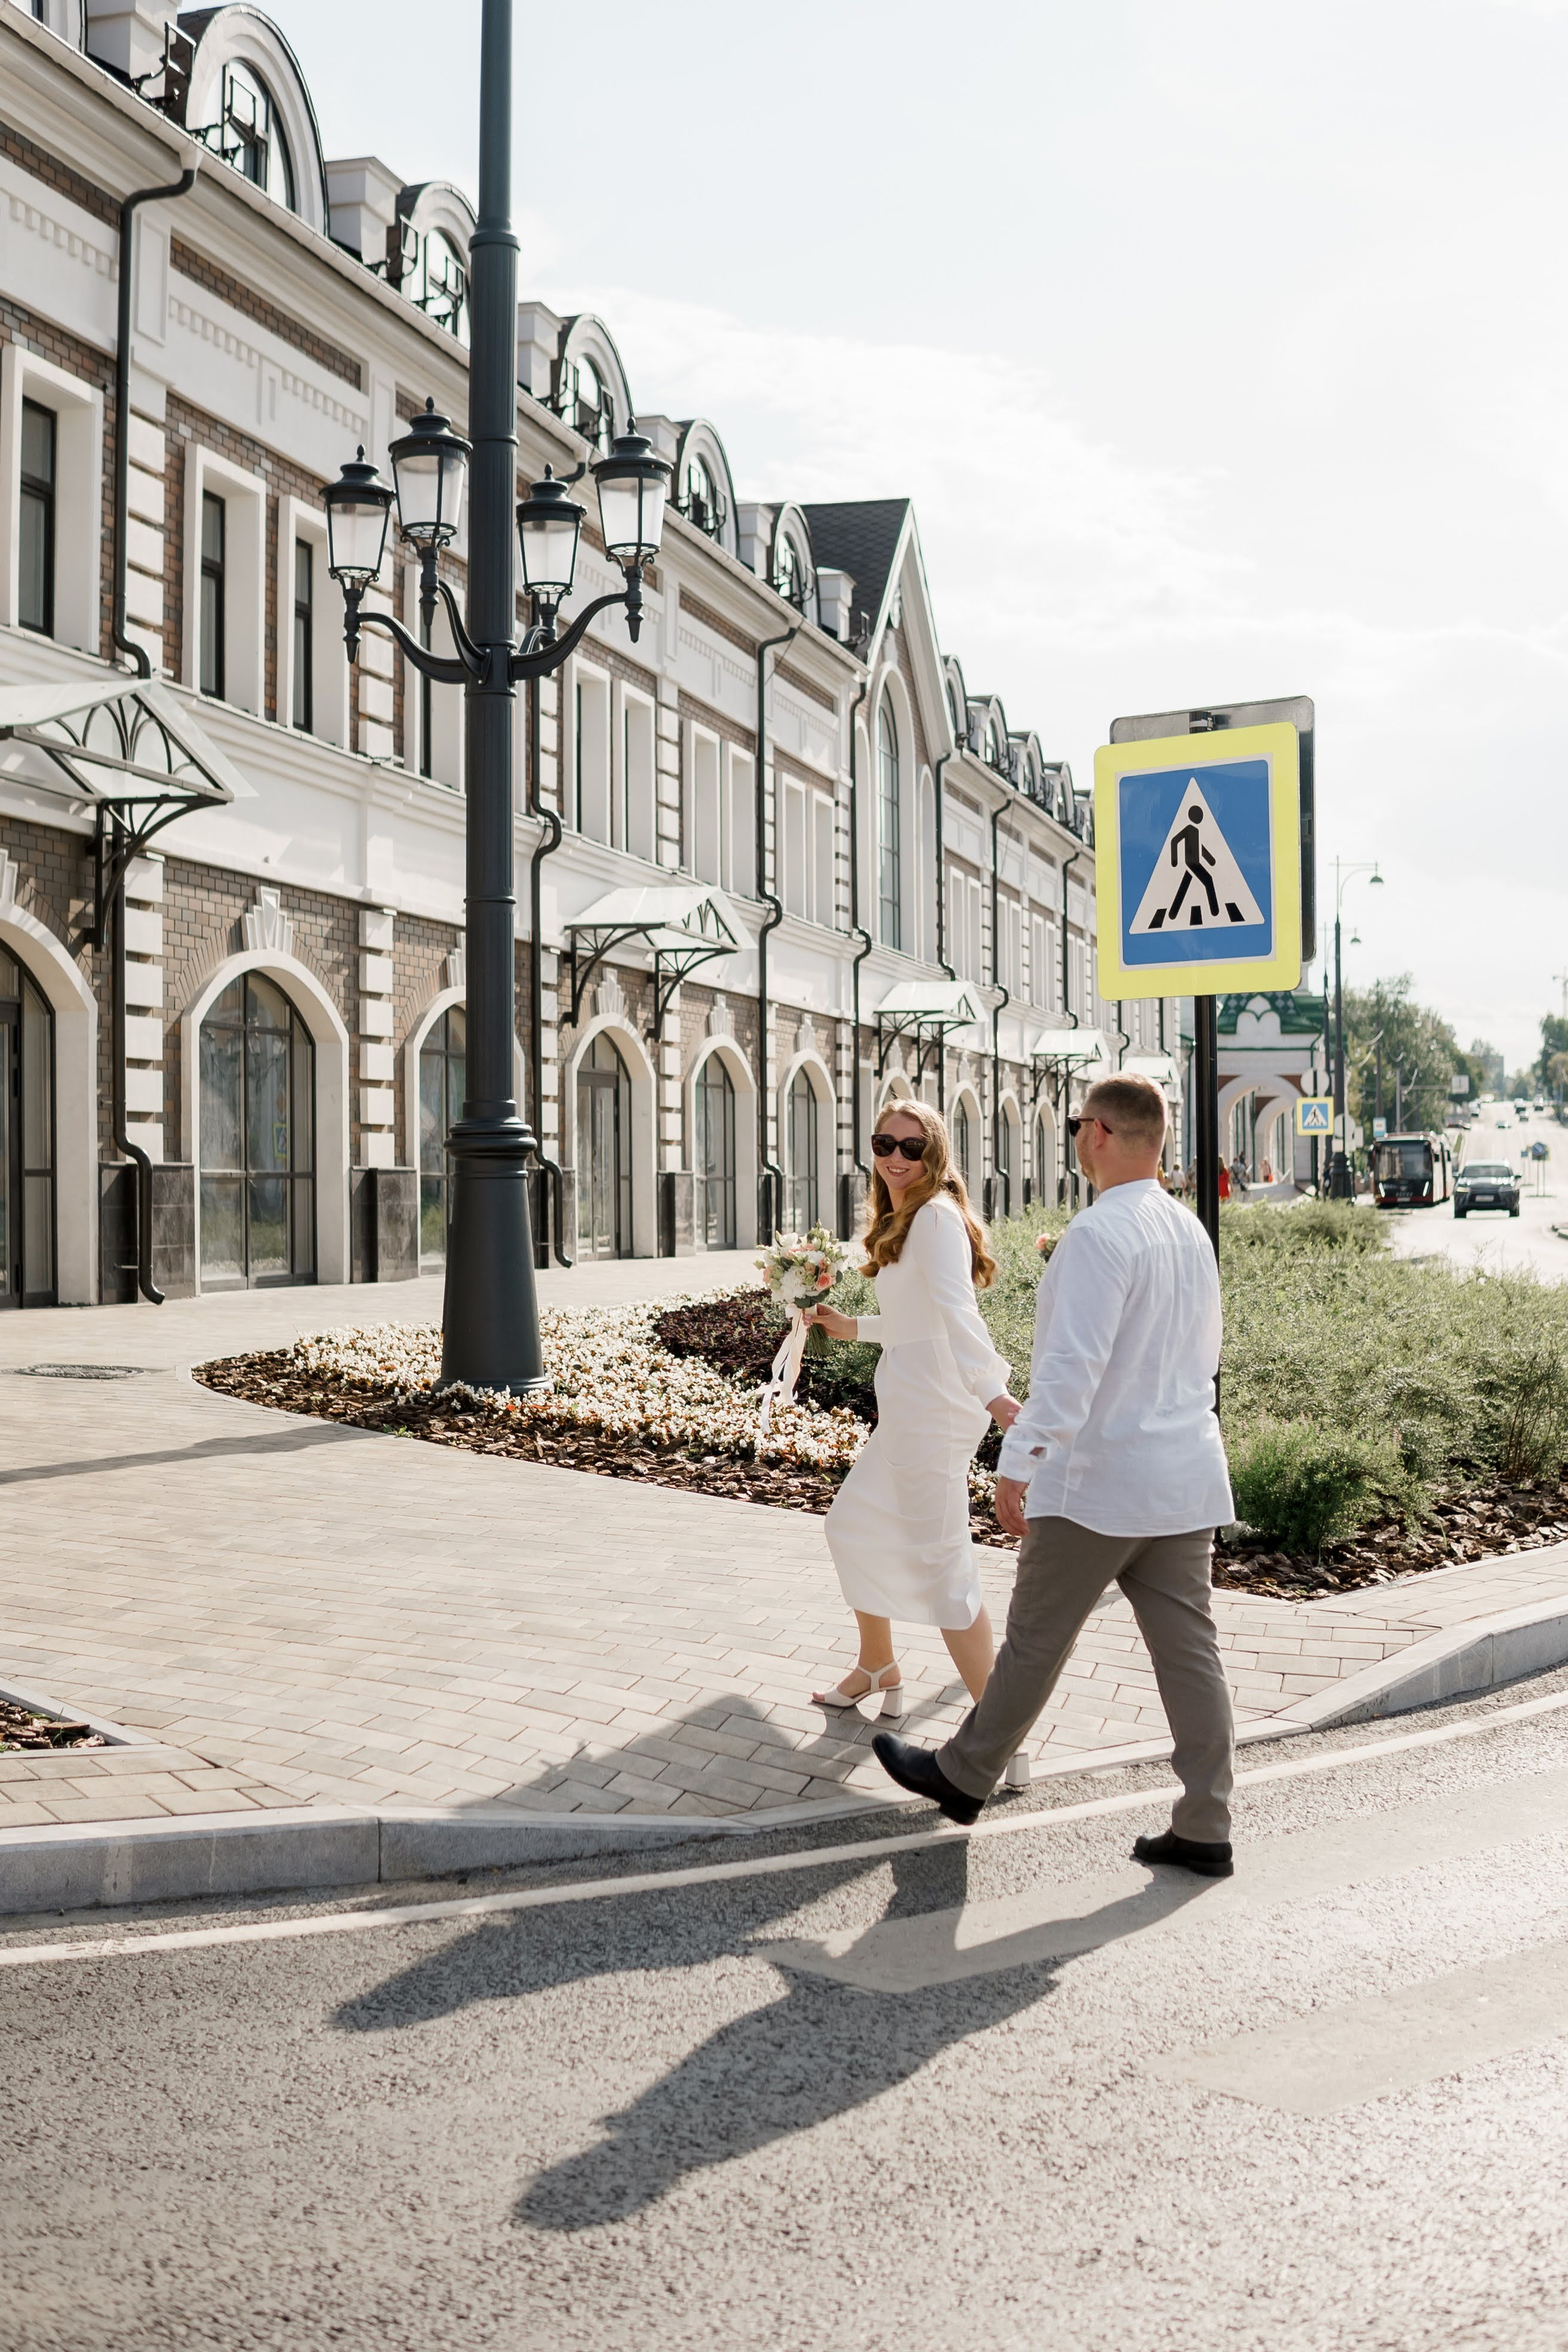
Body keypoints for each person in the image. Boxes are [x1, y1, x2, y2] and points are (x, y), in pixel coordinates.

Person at [871, 1071, 1239, 1879]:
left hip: (1102, 1482)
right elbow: (1204, 1359)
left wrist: (1020, 1463)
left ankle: (964, 1776)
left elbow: (1071, 1370)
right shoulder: (1189, 1232)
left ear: (1099, 1134)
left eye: (1079, 1125)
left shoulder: (1097, 1235)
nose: (1077, 1135)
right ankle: (1207, 1822)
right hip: (1183, 1481)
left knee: (1035, 1642)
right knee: (1190, 1655)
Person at [804, 1099, 1019, 1717]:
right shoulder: (910, 1217)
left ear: (934, 1155)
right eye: (884, 1144)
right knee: (852, 1525)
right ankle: (878, 1665)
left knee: (943, 1564)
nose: (896, 1157)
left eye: (911, 1147)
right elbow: (917, 1318)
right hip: (914, 1406)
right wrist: (853, 1328)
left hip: (937, 1408)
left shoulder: (934, 1219)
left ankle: (999, 1729)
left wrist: (994, 1393)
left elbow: (956, 1312)